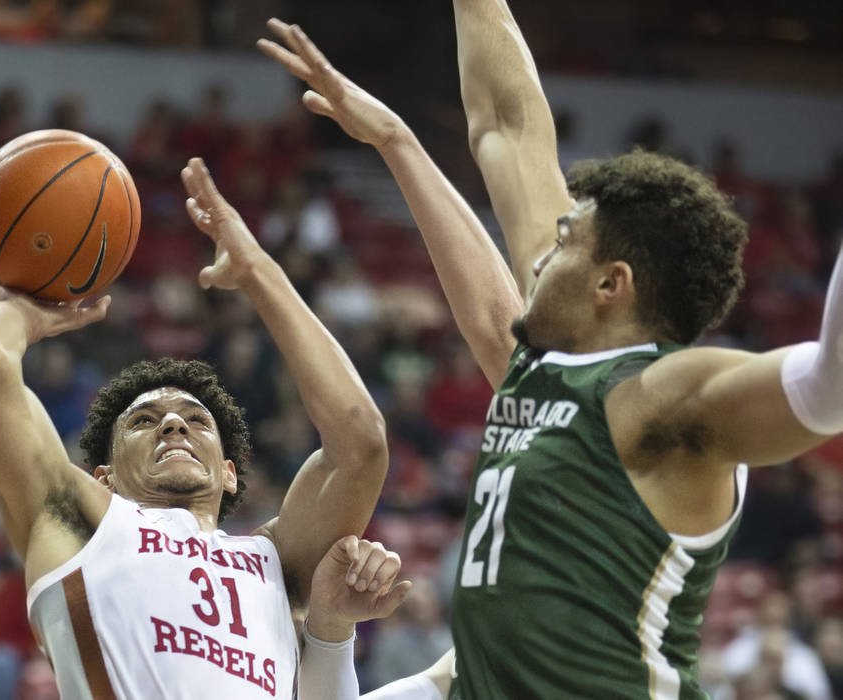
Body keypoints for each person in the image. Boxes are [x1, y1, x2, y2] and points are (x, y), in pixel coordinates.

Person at [260, 10, 843, 699]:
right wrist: (396, 132)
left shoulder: (665, 392)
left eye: (565, 241)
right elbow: (507, 127)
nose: (544, 250)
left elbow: (826, 388)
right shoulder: (542, 367)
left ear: (610, 284)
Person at [0, 158, 389, 697]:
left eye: (197, 420)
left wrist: (258, 273)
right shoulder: (78, 518)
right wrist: (27, 312)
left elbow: (361, 442)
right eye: (144, 421)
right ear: (104, 476)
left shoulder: (272, 560)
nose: (176, 423)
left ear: (230, 473)